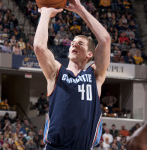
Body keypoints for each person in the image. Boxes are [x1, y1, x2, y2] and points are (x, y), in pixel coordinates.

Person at [33, 0, 110, 149]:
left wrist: (80, 9)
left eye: (80, 43)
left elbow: (105, 40)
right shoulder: (56, 72)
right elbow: (38, 47)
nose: (74, 44)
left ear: (89, 54)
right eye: (73, 43)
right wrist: (46, 13)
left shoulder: (94, 75)